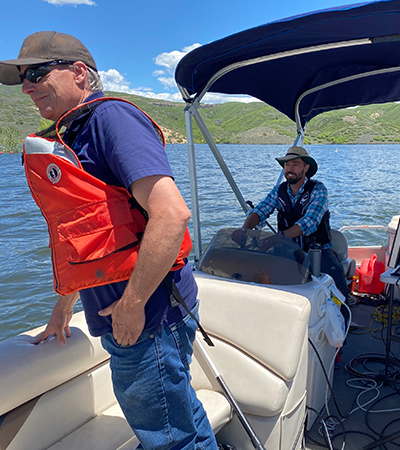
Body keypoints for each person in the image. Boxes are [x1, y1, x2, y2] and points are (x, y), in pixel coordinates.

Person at [0, 31, 217, 450]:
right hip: (133, 311)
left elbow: (171, 216)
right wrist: (64, 306)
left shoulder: (110, 119)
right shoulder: (72, 133)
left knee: (169, 437)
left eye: (38, 72)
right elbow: (79, 236)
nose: (26, 86)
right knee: (179, 417)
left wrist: (133, 305)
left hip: (148, 314)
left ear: (80, 72)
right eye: (23, 77)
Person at [237, 146, 350, 300]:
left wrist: (280, 237)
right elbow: (260, 211)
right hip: (287, 250)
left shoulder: (318, 190)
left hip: (318, 250)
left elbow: (310, 221)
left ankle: (344, 315)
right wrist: (245, 230)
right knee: (259, 277)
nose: (290, 169)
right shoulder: (278, 191)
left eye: (295, 164)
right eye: (287, 165)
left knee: (337, 289)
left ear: (306, 167)